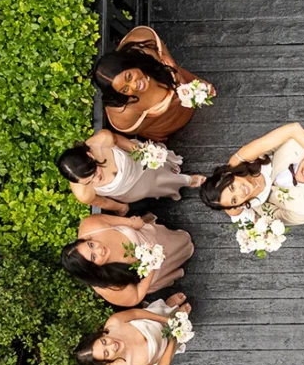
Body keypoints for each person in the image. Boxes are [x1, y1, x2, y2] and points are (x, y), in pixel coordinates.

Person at [199, 122, 304, 226]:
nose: (240, 192)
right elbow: (265, 216)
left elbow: (294, 129)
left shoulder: (239, 161)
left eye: (232, 187)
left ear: (228, 175)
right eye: (234, 200)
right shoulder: (235, 207)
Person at [92, 26, 216, 141]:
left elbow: (157, 43)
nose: (134, 86)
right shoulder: (123, 112)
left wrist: (173, 69)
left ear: (130, 63)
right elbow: (134, 129)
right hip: (166, 121)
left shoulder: (142, 45)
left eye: (129, 76)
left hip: (175, 81)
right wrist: (168, 106)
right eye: (125, 90)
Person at [61, 213, 194, 308]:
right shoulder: (106, 285)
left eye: (91, 245)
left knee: (178, 240)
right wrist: (150, 266)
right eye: (94, 257)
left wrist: (132, 223)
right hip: (154, 269)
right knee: (179, 254)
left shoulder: (90, 226)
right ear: (92, 268)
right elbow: (134, 297)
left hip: (150, 236)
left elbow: (109, 219)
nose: (99, 249)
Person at [57, 129, 205, 213]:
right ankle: (184, 181)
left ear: (89, 155)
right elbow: (102, 201)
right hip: (131, 189)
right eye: (89, 182)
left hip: (136, 162)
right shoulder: (83, 194)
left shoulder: (102, 140)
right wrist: (122, 207)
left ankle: (176, 172)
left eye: (94, 173)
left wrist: (141, 152)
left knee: (159, 171)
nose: (96, 181)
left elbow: (118, 140)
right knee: (158, 185)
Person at [74, 291, 191, 365]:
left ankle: (167, 308)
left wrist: (167, 320)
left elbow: (136, 314)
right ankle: (176, 316)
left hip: (155, 319)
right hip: (166, 345)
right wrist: (174, 337)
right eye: (106, 353)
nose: (112, 345)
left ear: (101, 335)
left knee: (158, 312)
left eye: (104, 341)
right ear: (106, 364)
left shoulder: (114, 323)